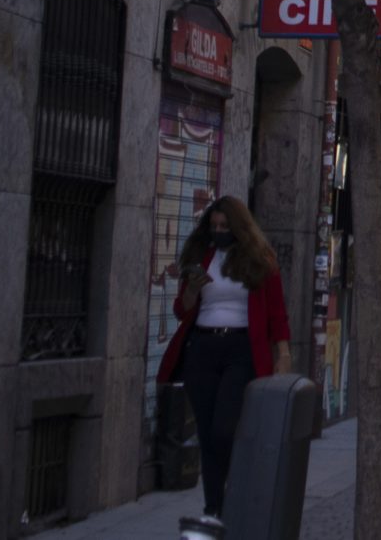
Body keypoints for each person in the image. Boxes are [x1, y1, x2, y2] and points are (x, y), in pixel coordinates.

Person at [156, 196, 292, 528]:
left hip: (240, 349)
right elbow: (181, 310)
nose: (218, 232)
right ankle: (214, 508)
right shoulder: (201, 257)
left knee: (223, 429)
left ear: (239, 229)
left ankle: (235, 492)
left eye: (224, 227)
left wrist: (283, 354)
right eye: (213, 227)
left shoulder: (259, 261)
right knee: (206, 431)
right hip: (202, 348)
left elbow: (276, 311)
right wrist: (191, 291)